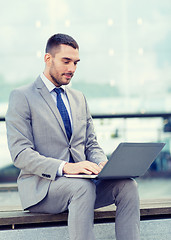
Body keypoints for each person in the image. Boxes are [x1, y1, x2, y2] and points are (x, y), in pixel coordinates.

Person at [5, 33, 140, 240]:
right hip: (43, 190)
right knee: (82, 187)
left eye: (76, 63)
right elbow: (20, 154)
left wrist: (102, 163)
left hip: (83, 184)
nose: (72, 69)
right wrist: (66, 167)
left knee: (127, 186)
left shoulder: (79, 98)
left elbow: (91, 144)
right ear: (47, 59)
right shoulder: (22, 96)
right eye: (66, 61)